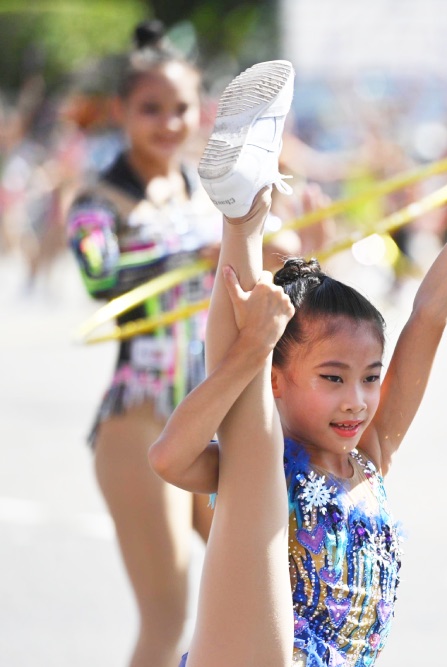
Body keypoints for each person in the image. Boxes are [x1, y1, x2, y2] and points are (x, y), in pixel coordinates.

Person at [147, 60, 447, 665]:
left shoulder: (373, 454)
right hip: (259, 652)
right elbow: (168, 456)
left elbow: (430, 316)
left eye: (369, 379)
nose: (357, 400)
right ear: (281, 382)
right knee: (252, 454)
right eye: (333, 378)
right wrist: (251, 352)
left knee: (252, 448)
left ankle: (246, 215)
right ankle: (244, 215)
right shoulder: (255, 462)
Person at [65, 21, 295, 665]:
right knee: (166, 619)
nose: (169, 123)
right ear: (121, 112)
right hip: (140, 423)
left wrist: (274, 241)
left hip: (213, 409)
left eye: (182, 109)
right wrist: (187, 254)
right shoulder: (99, 198)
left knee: (257, 591)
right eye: (151, 109)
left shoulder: (204, 190)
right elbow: (98, 275)